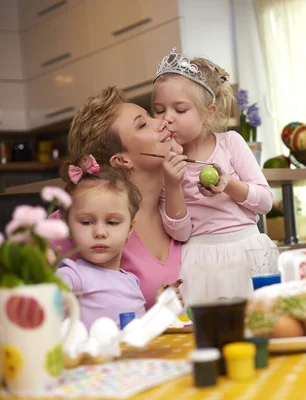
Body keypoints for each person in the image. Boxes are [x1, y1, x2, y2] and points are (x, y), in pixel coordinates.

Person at [151, 48, 275, 304]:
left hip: (247, 251)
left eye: (180, 110)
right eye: (159, 110)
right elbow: (181, 234)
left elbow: (265, 203)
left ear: (208, 113)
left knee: (259, 321)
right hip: (198, 260)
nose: (167, 119)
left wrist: (229, 184)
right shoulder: (164, 163)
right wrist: (173, 185)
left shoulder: (230, 143)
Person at [51, 86, 183, 308]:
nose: (161, 121)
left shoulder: (180, 205)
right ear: (121, 161)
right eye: (143, 124)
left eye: (150, 116)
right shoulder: (68, 224)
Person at [56, 156, 146, 328]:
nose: (99, 232)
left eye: (112, 222)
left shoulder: (131, 280)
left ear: (130, 227)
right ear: (68, 227)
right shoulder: (73, 276)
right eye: (86, 222)